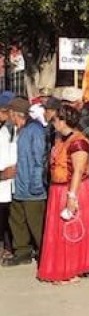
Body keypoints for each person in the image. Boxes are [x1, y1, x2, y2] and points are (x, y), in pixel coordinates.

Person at [37, 105, 89, 282]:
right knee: (60, 231)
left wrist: (71, 197)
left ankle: (72, 268)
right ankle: (63, 267)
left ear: (64, 120)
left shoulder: (78, 142)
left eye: (55, 119)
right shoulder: (59, 138)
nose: (53, 123)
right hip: (58, 188)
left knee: (71, 230)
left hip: (74, 188)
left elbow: (77, 170)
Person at [1, 97, 47, 267]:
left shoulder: (34, 130)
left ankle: (45, 252)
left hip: (31, 186)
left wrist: (35, 185)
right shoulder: (15, 130)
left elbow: (39, 159)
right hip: (17, 185)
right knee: (17, 221)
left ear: (14, 113)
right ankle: (22, 251)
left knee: (36, 223)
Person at [0, 91, 16, 261]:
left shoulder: (14, 128)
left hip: (14, 183)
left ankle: (9, 246)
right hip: (3, 180)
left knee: (11, 218)